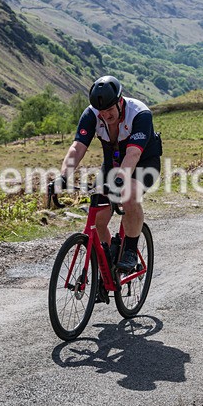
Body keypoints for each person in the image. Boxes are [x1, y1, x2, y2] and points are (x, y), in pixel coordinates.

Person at [56, 75, 162, 271]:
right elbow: (77, 147)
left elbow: (133, 153)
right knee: (98, 216)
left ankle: (130, 251)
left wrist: (120, 180)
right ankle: (107, 265)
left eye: (110, 110)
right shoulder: (91, 114)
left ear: (120, 102)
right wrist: (62, 176)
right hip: (112, 164)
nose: (105, 115)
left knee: (129, 194)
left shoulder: (139, 114)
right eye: (101, 112)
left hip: (144, 163)